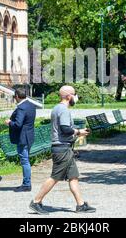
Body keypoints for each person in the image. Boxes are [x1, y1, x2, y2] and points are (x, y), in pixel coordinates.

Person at [29, 86, 96, 215]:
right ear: (69, 96)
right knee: (55, 177)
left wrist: (76, 133)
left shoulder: (56, 108)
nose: (76, 98)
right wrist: (78, 132)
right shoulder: (63, 110)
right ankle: (36, 202)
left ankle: (80, 205)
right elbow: (65, 129)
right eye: (75, 95)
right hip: (62, 148)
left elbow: (63, 129)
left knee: (73, 177)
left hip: (65, 148)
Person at [5, 88, 37, 192]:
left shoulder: (21, 108)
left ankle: (27, 184)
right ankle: (26, 183)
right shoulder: (31, 105)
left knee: (24, 161)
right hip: (29, 136)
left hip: (22, 138)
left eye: (15, 97)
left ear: (17, 96)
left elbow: (18, 124)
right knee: (25, 160)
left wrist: (9, 122)